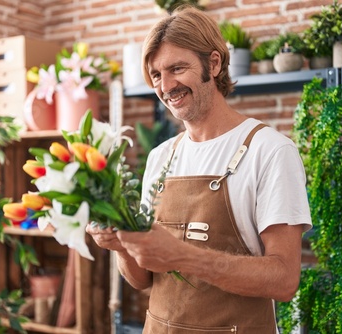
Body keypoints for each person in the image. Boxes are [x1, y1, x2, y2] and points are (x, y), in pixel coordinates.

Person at [86, 5, 312, 333]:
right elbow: (143, 280)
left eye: (177, 68)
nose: (166, 87)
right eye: (156, 75)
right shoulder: (161, 156)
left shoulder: (270, 151)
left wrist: (182, 256)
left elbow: (284, 280)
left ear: (214, 62)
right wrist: (121, 244)